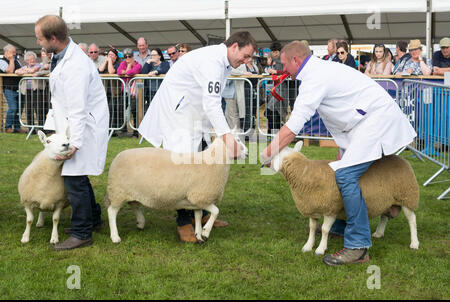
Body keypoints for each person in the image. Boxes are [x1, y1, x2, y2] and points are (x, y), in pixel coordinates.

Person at [261, 41, 416, 266]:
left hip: (375, 122)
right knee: (344, 170)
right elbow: (343, 109)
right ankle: (342, 225)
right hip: (364, 123)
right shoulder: (318, 71)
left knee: (344, 175)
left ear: (296, 60)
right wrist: (344, 149)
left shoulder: (314, 78)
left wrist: (266, 154)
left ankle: (358, 246)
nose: (283, 69)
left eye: (285, 64)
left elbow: (293, 126)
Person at [138, 31, 256, 243]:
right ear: (235, 46)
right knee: (183, 170)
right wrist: (228, 138)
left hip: (194, 114)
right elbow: (211, 103)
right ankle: (183, 222)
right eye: (246, 55)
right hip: (179, 116)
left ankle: (201, 214)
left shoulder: (223, 62)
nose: (246, 61)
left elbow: (211, 99)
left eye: (250, 58)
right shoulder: (212, 62)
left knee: (202, 164)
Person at [34, 15, 109, 251]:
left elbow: (78, 108)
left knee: (74, 180)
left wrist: (74, 143)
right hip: (73, 123)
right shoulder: (62, 56)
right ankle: (94, 219)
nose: (38, 44)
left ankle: (81, 233)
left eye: (40, 39)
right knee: (81, 176)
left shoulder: (76, 65)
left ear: (53, 38)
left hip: (83, 126)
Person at [0, 44, 26, 133]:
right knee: (13, 108)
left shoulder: (17, 60)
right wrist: (11, 60)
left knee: (19, 109)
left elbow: (22, 69)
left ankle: (17, 127)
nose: (15, 54)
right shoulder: (1, 61)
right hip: (9, 88)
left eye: (15, 52)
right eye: (13, 52)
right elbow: (10, 70)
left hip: (20, 88)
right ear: (6, 52)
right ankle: (8, 127)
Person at [15, 51, 41, 128]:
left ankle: (41, 127)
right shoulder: (25, 67)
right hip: (27, 90)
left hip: (36, 90)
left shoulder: (39, 65)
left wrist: (26, 71)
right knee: (29, 109)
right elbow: (16, 71)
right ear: (26, 61)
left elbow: (33, 70)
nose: (31, 61)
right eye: (29, 59)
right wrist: (24, 71)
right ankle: (30, 128)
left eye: (33, 59)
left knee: (39, 109)